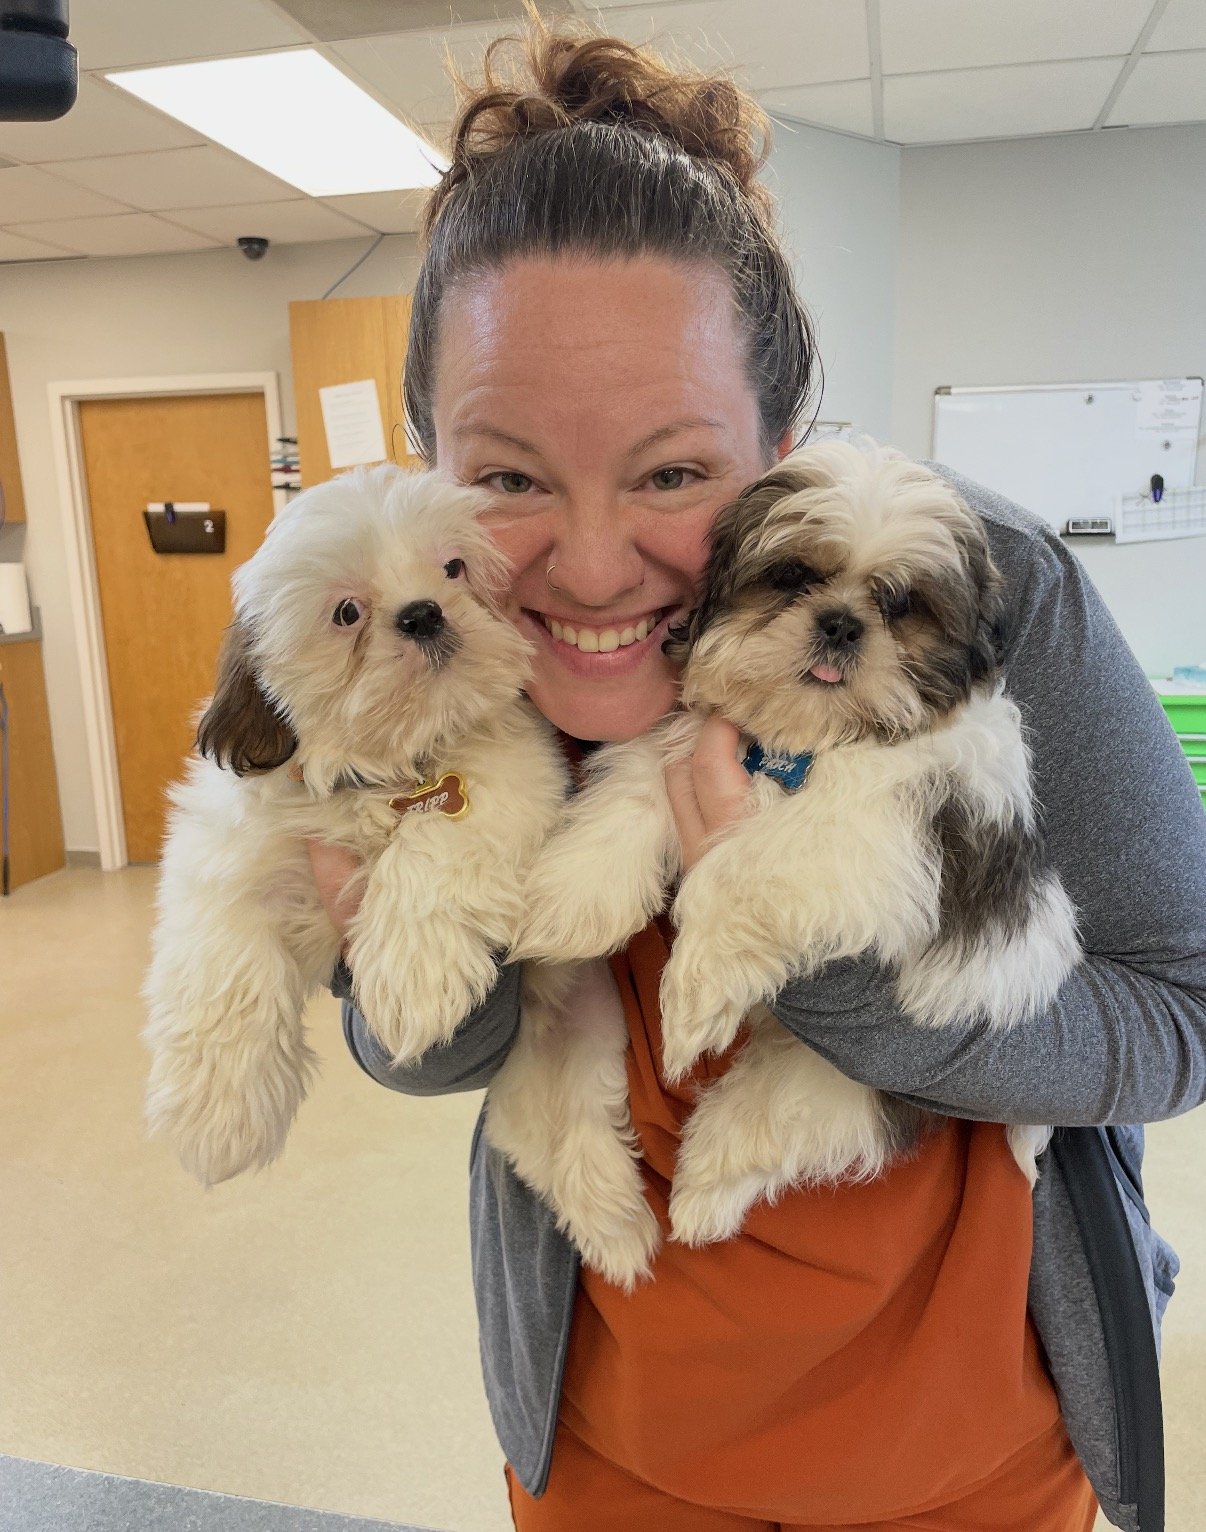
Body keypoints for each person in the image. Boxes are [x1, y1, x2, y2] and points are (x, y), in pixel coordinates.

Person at [308, 16, 1206, 1531]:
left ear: (782, 438)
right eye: (508, 475)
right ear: (423, 460)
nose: (589, 568)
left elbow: (1179, 1017)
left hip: (971, 1455)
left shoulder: (994, 590)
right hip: (607, 1443)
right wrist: (386, 944)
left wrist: (821, 962)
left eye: (673, 472)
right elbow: (427, 1052)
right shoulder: (430, 624)